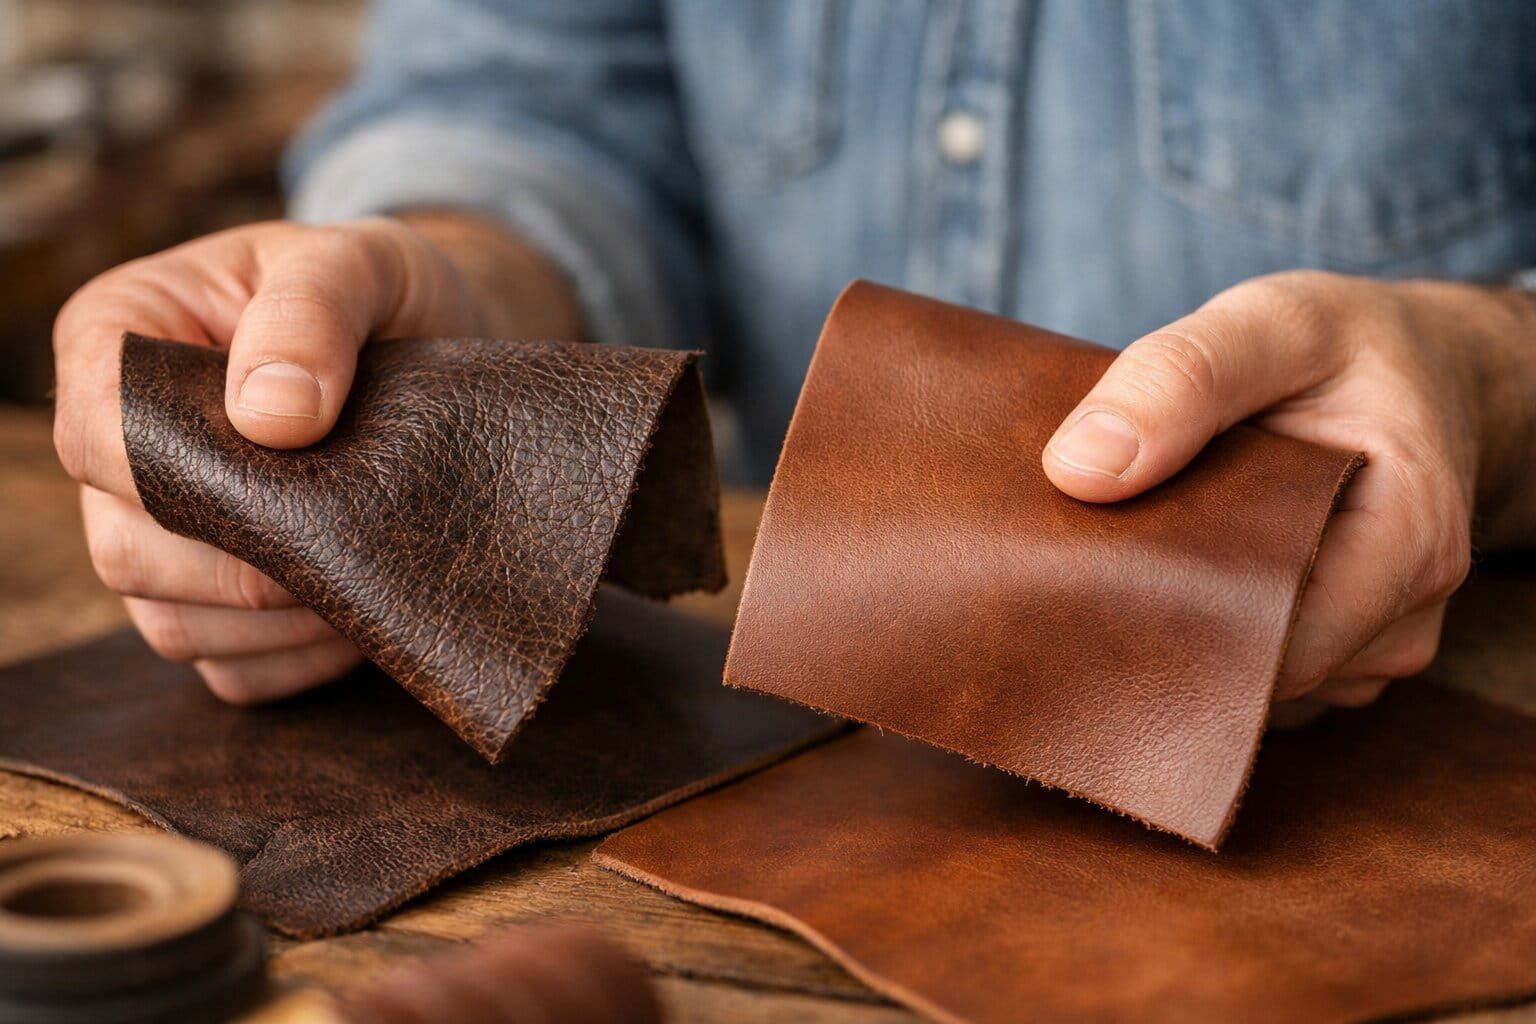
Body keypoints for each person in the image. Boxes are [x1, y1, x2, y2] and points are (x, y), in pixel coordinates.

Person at [50, 2, 1536, 724]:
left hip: (1414, 720)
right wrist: (454, 276)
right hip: (753, 722)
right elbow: (536, 84)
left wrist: (1493, 376)